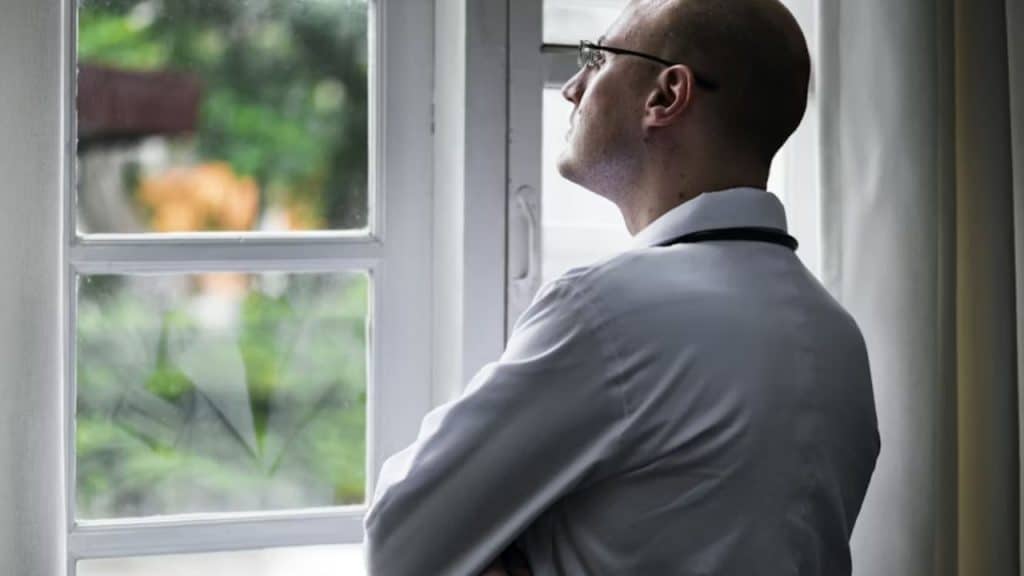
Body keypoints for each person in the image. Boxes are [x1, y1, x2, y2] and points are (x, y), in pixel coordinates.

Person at [363, 0, 880, 574]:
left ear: (665, 96)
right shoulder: (840, 338)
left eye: (596, 58)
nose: (572, 89)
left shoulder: (605, 312)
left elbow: (398, 541)